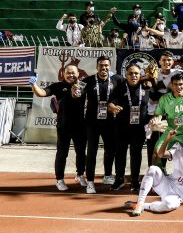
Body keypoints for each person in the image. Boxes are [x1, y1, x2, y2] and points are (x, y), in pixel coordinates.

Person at [125, 129, 183, 216]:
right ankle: (140, 204)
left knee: (168, 205)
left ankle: (144, 206)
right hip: (166, 184)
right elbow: (160, 154)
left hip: (178, 195)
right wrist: (167, 139)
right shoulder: (179, 152)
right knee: (152, 169)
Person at [29, 65, 87, 191]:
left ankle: (80, 175)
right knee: (62, 153)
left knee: (81, 153)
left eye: (73, 73)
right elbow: (41, 93)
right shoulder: (57, 86)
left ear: (78, 73)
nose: (71, 75)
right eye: (68, 73)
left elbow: (78, 95)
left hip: (80, 126)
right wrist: (34, 85)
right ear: (63, 74)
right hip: (63, 125)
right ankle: (59, 180)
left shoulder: (83, 85)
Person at [83, 56, 124, 193]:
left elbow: (132, 83)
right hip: (92, 123)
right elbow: (77, 92)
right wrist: (75, 91)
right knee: (92, 152)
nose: (104, 68)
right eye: (101, 65)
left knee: (110, 150)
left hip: (110, 122)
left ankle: (107, 175)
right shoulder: (88, 81)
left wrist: (147, 81)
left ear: (110, 67)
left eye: (106, 65)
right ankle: (90, 182)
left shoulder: (117, 80)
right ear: (97, 67)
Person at [108, 64, 151, 191]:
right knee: (120, 153)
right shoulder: (120, 87)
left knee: (136, 154)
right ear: (126, 75)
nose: (133, 76)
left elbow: (160, 96)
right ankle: (119, 179)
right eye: (130, 73)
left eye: (136, 73)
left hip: (139, 128)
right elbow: (110, 103)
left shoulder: (147, 86)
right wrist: (113, 108)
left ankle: (135, 180)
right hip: (121, 126)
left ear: (140, 75)